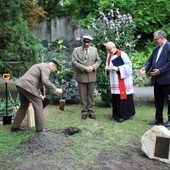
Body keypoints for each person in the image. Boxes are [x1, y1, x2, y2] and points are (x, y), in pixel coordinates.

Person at [11, 59, 63, 132]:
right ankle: (41, 128)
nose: (53, 71)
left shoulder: (41, 66)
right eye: (55, 69)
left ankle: (15, 126)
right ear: (53, 66)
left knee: (24, 105)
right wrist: (56, 89)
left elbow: (36, 82)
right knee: (38, 104)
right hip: (28, 85)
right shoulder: (46, 67)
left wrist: (40, 94)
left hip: (21, 85)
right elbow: (45, 81)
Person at [141, 30, 170, 127]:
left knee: (169, 100)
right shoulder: (156, 49)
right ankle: (158, 119)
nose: (155, 41)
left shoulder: (169, 47)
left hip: (167, 80)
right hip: (157, 80)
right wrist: (145, 68)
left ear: (162, 38)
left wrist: (160, 71)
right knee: (158, 100)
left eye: (155, 39)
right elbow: (150, 61)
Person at [105, 42, 135, 122]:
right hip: (114, 80)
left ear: (114, 47)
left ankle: (124, 115)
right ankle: (116, 114)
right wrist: (107, 69)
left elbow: (129, 66)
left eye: (110, 50)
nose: (109, 52)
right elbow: (107, 65)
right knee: (116, 97)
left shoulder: (122, 54)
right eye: (107, 50)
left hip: (123, 80)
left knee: (123, 97)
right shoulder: (109, 55)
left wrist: (118, 69)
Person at [72, 35, 101, 119]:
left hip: (92, 76)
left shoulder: (94, 50)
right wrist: (84, 68)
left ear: (90, 43)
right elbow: (74, 62)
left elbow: (98, 61)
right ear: (83, 42)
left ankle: (91, 111)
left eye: (88, 44)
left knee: (91, 95)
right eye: (85, 43)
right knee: (82, 95)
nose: (87, 45)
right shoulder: (76, 50)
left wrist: (93, 67)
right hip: (81, 76)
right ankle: (84, 111)